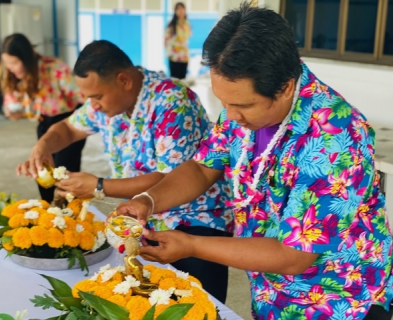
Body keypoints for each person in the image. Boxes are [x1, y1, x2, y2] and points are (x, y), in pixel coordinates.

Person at [116, 4, 393, 320]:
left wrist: (191, 245)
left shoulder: (335, 139)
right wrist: (148, 201)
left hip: (337, 301)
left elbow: (293, 255)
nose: (230, 116)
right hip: (271, 292)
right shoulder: (245, 104)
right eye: (223, 102)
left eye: (242, 105)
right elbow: (203, 166)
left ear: (286, 87)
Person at [16, 40, 234, 303]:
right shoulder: (110, 102)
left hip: (194, 223)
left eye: (96, 97)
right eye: (88, 98)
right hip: (145, 219)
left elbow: (170, 177)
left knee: (197, 304)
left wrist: (98, 186)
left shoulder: (172, 101)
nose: (92, 105)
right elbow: (69, 128)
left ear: (124, 80)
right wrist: (42, 147)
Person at [0, 33, 86, 203]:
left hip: (67, 120)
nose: (10, 67)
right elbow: (13, 106)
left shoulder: (55, 68)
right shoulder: (11, 73)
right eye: (7, 62)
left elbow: (82, 96)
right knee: (42, 167)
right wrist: (15, 114)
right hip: (43, 121)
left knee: (65, 171)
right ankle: (46, 207)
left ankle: (68, 212)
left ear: (27, 58)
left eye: (14, 62)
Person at [164, 2, 191, 79]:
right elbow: (165, 40)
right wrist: (170, 51)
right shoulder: (171, 25)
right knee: (175, 79)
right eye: (178, 9)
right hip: (174, 57)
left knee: (183, 80)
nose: (181, 11)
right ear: (175, 11)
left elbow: (187, 38)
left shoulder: (187, 24)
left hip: (184, 56)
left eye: (182, 8)